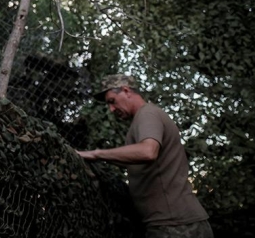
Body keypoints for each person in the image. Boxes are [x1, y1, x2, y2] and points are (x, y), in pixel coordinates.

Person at [77, 74, 212, 238]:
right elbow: (138, 160)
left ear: (126, 91)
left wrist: (96, 154)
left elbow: (147, 152)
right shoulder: (144, 117)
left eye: (112, 101)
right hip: (172, 223)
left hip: (175, 226)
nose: (111, 109)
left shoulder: (147, 115)